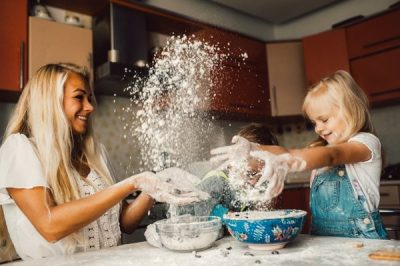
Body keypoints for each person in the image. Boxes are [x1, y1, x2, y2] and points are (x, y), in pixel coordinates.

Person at [0, 63, 207, 261]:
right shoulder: (21, 150)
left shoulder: (95, 154)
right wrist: (132, 183)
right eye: (79, 97)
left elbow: (125, 222)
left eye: (89, 98)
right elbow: (50, 226)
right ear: (50, 102)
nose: (89, 107)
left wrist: (155, 184)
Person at [211, 70, 388, 239]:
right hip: (324, 242)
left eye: (324, 119)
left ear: (351, 109)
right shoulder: (319, 147)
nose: (318, 128)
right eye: (314, 123)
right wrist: (253, 149)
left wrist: (288, 160)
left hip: (363, 242)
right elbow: (284, 153)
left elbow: (332, 155)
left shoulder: (366, 143)